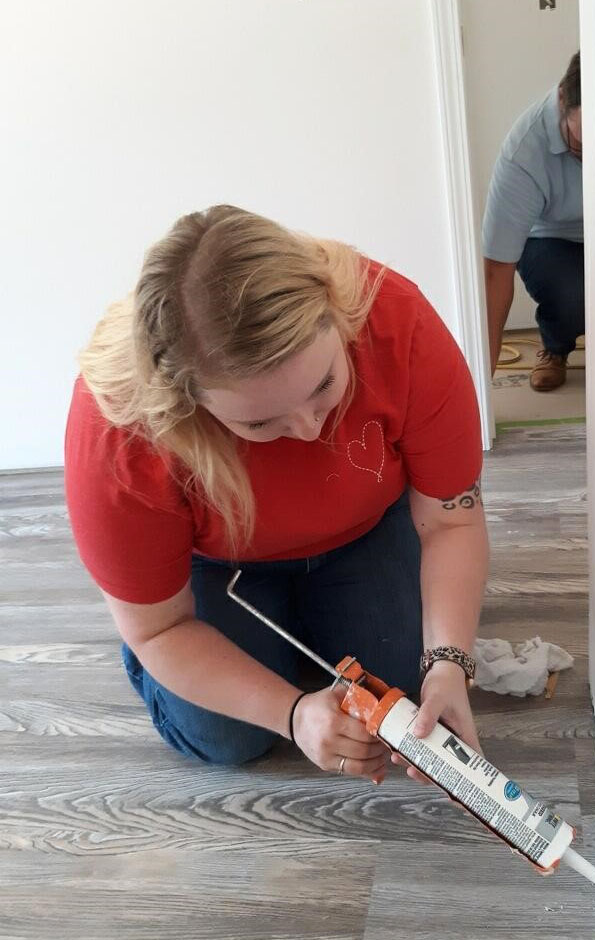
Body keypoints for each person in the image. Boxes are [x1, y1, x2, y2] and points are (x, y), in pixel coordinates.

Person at [64, 205, 489, 786]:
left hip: (365, 529)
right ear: (189, 404)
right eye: (261, 424)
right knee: (228, 739)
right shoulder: (120, 432)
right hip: (220, 569)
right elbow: (158, 628)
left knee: (401, 693)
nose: (313, 431)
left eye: (324, 386)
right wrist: (291, 714)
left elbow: (450, 523)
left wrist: (449, 664)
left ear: (338, 319)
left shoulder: (398, 321)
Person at [483, 51, 583, 391]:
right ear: (561, 100)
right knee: (573, 294)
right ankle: (555, 348)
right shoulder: (524, 151)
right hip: (552, 239)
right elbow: (496, 270)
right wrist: (481, 387)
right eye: (581, 142)